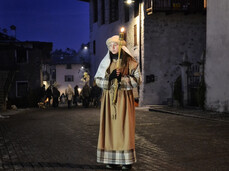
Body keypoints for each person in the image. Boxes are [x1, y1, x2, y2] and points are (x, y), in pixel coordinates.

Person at [94, 35, 141, 170]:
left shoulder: (130, 62)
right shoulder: (105, 63)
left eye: (115, 45)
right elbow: (97, 80)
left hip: (124, 99)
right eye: (110, 46)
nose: (112, 48)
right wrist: (110, 78)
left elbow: (138, 80)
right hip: (109, 101)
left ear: (121, 47)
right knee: (109, 129)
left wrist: (123, 79)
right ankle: (112, 160)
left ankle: (126, 161)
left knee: (124, 128)